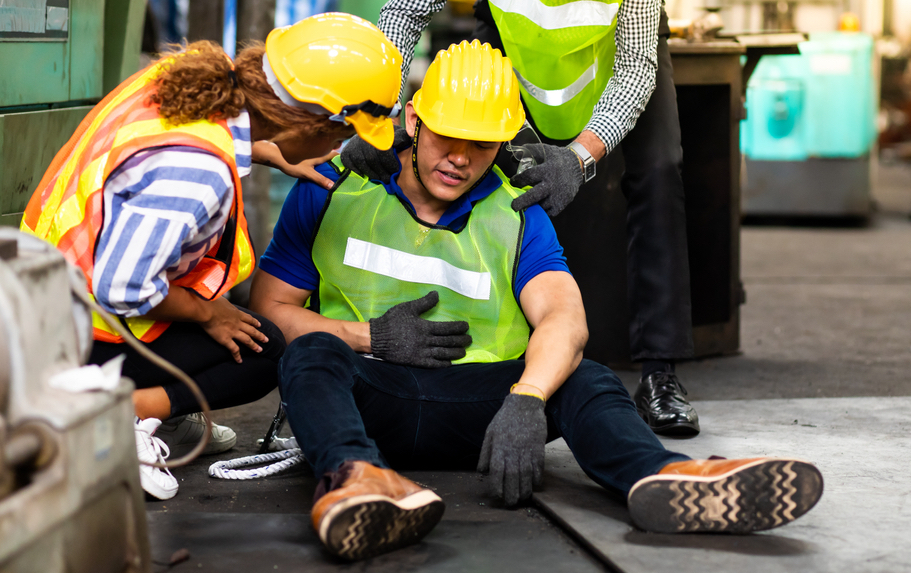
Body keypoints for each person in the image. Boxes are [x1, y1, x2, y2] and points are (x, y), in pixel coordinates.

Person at [251, 41, 822, 562]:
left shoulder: (517, 211)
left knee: (587, 377)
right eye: (447, 135)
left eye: (481, 143)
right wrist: (370, 337)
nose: (460, 158)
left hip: (486, 412)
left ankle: (666, 477)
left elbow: (563, 317)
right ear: (413, 119)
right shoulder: (331, 188)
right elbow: (270, 311)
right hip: (371, 394)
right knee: (311, 354)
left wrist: (527, 399)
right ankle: (358, 481)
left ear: (504, 142)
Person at [20, 13, 403, 500]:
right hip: (71, 333)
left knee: (242, 332)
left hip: (44, 295)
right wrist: (208, 312)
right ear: (310, 122)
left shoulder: (193, 72)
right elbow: (122, 287)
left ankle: (159, 411)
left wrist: (268, 150)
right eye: (340, 132)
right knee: (262, 350)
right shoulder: (196, 172)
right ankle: (111, 417)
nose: (338, 146)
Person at [335, 0, 700, 438]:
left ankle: (660, 373)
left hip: (617, 56)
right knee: (497, 170)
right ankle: (499, 353)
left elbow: (636, 69)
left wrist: (580, 156)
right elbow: (404, 12)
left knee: (660, 169)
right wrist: (379, 115)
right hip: (513, 43)